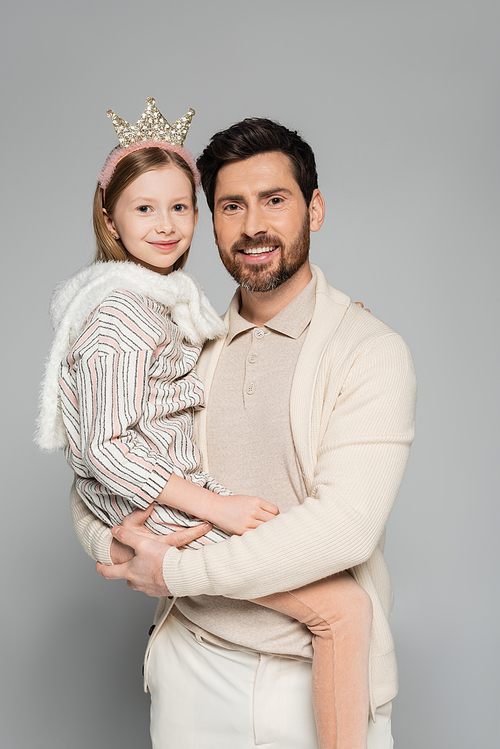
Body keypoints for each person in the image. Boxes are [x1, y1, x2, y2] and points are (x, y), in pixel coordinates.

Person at [37, 100, 378, 749]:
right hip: (185, 562)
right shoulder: (118, 317)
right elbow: (103, 450)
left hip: (257, 644)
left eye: (179, 207)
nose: (166, 225)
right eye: (144, 208)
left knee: (341, 607)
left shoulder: (165, 308)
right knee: (343, 608)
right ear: (108, 216)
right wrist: (208, 509)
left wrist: (337, 324)